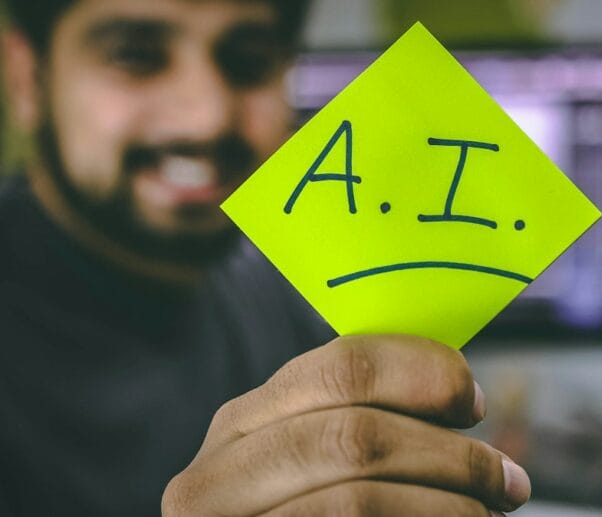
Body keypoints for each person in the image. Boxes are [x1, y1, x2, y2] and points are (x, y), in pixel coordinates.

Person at [0, 1, 531, 515]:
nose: (206, 117)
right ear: (27, 77)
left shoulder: (282, 294)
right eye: (134, 56)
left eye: (249, 61)